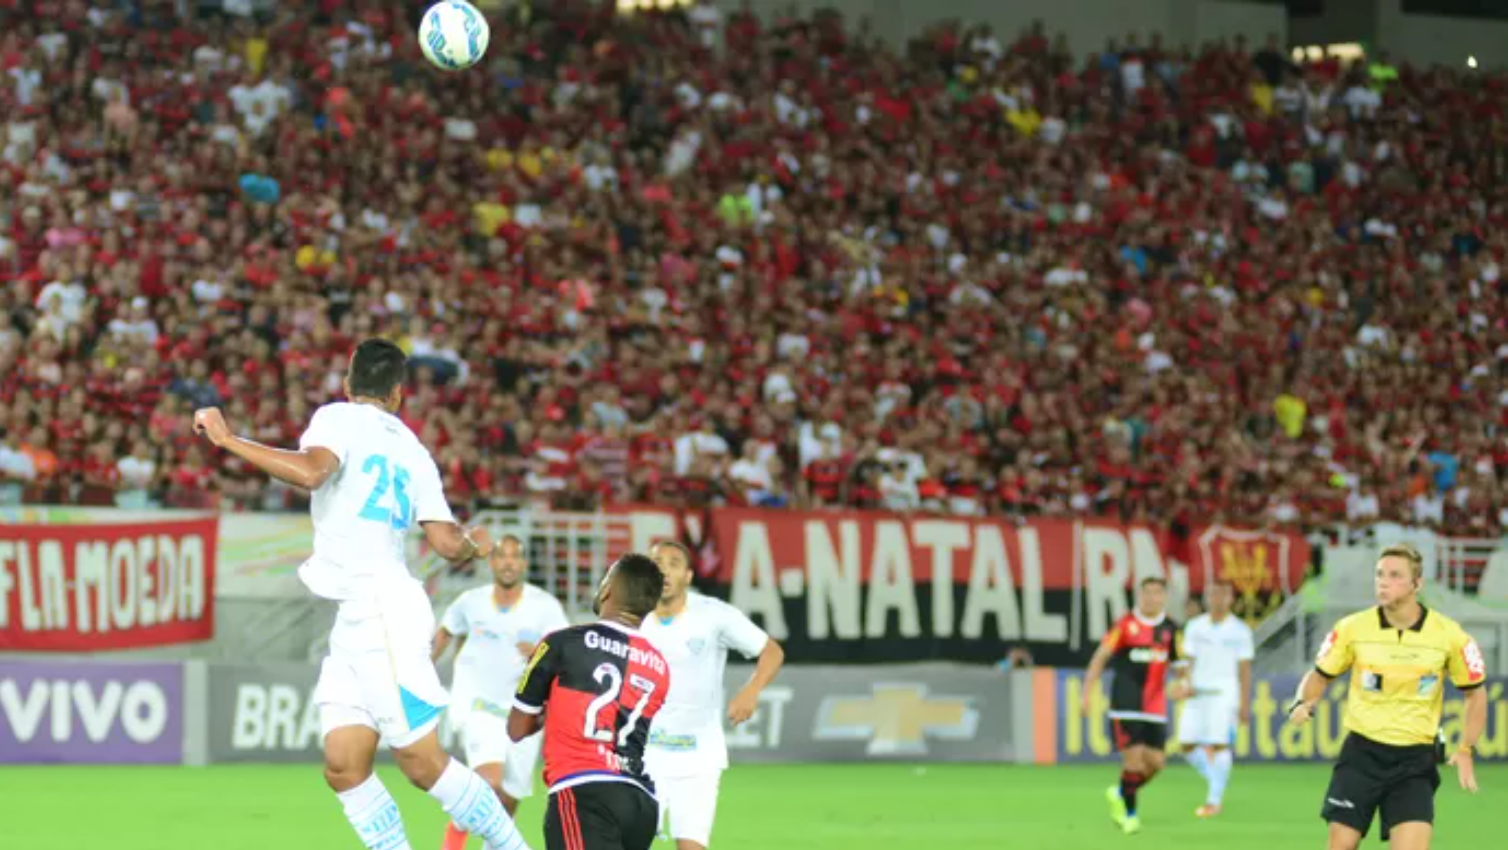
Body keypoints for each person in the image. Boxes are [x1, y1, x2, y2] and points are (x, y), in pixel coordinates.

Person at [193, 338, 531, 850]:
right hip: (359, 614)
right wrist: (473, 546)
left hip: (383, 610)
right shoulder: (415, 450)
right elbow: (444, 542)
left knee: (422, 763)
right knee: (344, 765)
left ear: (349, 385)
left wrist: (227, 439)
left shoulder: (336, 417)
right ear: (398, 395)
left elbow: (311, 472)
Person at [1288, 543, 1487, 850]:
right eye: (1380, 574)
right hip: (1361, 756)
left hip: (1414, 763)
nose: (1383, 581)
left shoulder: (1450, 636)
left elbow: (1476, 694)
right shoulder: (1352, 628)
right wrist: (1303, 701)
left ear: (1417, 584)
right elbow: (1319, 676)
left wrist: (1466, 749)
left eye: (1395, 575)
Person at [507, 554, 671, 850]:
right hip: (640, 804)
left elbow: (517, 728)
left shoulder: (561, 643)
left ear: (607, 589)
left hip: (584, 792)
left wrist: (551, 709)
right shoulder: (659, 666)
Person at [640, 541, 785, 850]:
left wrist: (751, 690)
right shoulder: (630, 617)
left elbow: (771, 651)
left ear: (688, 576)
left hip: (698, 756)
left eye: (674, 562)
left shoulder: (713, 614)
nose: (664, 568)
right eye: (657, 562)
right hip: (641, 755)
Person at [434, 534, 571, 850]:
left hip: (525, 715)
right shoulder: (471, 601)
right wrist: (419, 675)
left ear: (523, 564)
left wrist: (540, 652)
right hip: (479, 706)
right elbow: (444, 634)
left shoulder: (545, 607)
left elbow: (566, 654)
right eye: (501, 556)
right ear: (491, 562)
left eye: (515, 556)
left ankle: (478, 836)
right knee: (489, 783)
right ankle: (455, 834)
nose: (508, 562)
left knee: (509, 799)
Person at [1081, 576, 1191, 835]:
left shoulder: (1171, 629)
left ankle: (1119, 792)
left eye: (1157, 593)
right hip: (1125, 705)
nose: (1152, 598)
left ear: (1164, 597)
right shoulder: (1124, 625)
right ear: (1139, 596)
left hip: (1154, 708)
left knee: (1156, 764)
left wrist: (1183, 684)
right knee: (1132, 763)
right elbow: (1100, 659)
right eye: (1147, 593)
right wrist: (1087, 694)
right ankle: (1130, 816)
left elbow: (1180, 666)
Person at [1176, 579, 1254, 818]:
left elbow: (1244, 670)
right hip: (1197, 693)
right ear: (1206, 597)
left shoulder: (1240, 630)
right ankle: (1217, 780)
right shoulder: (1195, 627)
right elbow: (1188, 662)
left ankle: (1214, 800)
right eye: (1212, 594)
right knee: (1186, 745)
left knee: (1218, 744)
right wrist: (1184, 684)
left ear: (1231, 598)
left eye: (1222, 594)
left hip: (1224, 693)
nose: (1217, 599)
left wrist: (1244, 703)